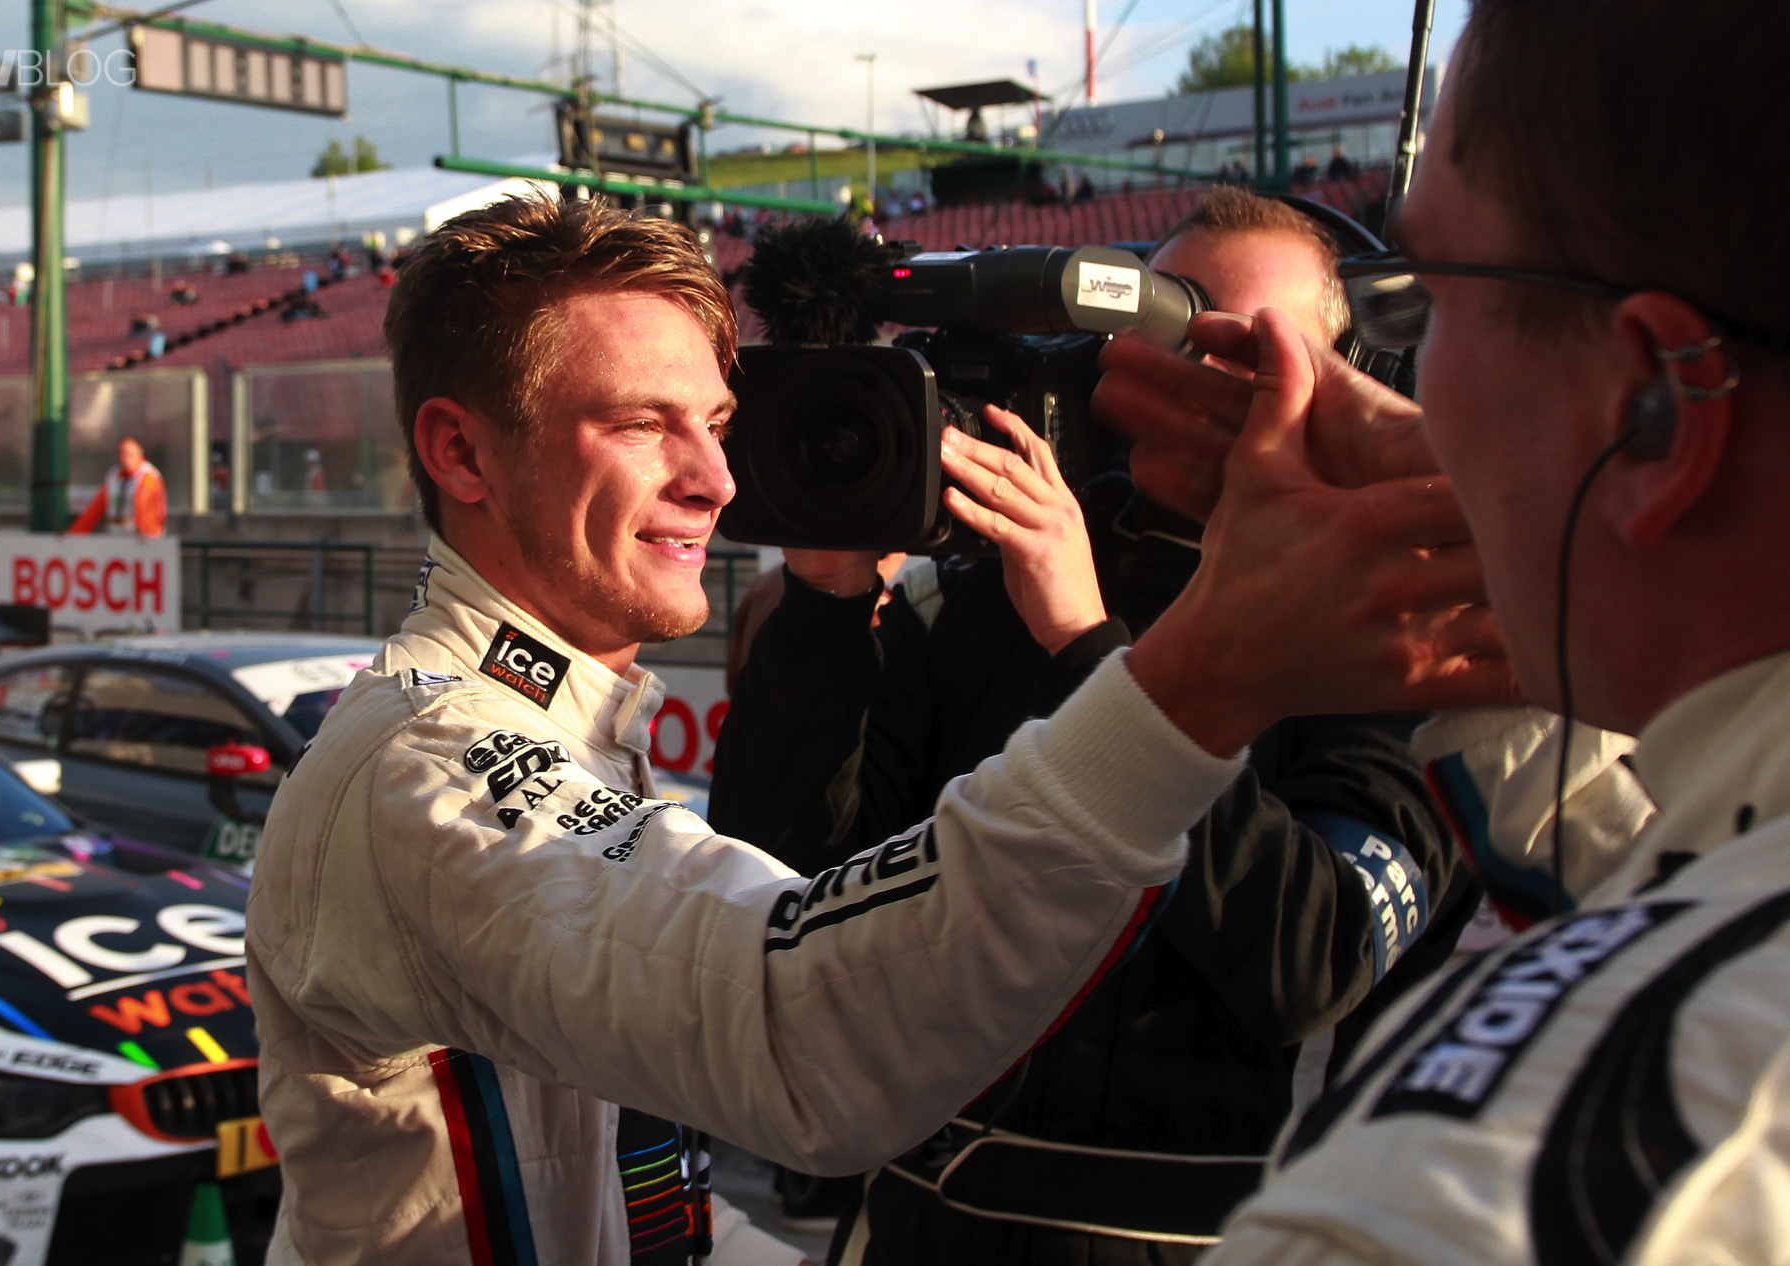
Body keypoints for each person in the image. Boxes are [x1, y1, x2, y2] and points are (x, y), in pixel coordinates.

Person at [243, 195, 1495, 1265]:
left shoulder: (559, 723)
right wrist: (1142, 682)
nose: (718, 481)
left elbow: (637, 1188)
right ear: (461, 453)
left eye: (717, 426)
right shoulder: (428, 764)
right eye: (639, 423)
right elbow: (801, 1001)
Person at [1089, 1, 1790, 1260]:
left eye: (1425, 305)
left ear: (1654, 406)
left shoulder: (1447, 1191)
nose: (1403, 389)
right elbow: (1669, 861)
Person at [708, 188, 1474, 1264]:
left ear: (1354, 383)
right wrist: (827, 600)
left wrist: (1088, 649)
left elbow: (1310, 961)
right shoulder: (976, 595)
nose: (1190, 381)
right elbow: (783, 890)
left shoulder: (1396, 643)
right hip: (918, 1227)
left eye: (1243, 355)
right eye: (1164, 335)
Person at [68, 436, 167, 538]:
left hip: (141, 539)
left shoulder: (147, 476)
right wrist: (73, 536)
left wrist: (146, 536)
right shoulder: (113, 476)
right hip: (116, 538)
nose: (126, 457)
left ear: (140, 453)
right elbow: (95, 509)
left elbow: (146, 509)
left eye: (130, 453)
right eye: (122, 453)